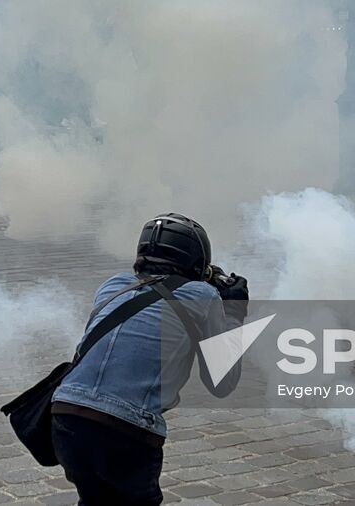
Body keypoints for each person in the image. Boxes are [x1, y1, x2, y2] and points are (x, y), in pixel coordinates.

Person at [51, 214, 248, 504]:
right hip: (126, 430)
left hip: (66, 417)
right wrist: (233, 310)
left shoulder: (113, 285)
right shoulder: (203, 295)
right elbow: (223, 382)